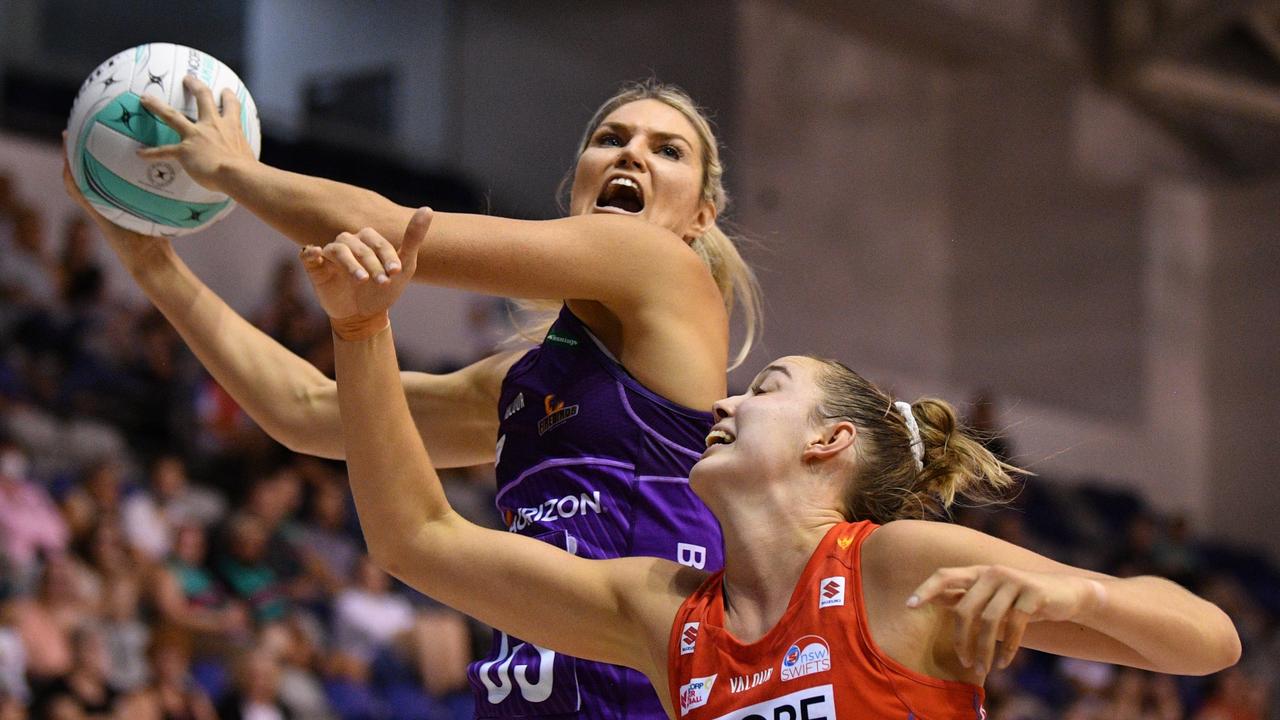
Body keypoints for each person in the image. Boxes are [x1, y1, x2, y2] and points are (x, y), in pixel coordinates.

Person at [304, 210, 1241, 719]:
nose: (724, 401)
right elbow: (417, 537)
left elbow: (1210, 639)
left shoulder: (893, 567)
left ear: (825, 441)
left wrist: (1083, 600)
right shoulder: (665, 616)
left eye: (767, 388)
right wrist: (360, 327)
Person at [64, 76, 760, 719]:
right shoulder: (523, 381)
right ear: (575, 184)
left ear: (702, 214)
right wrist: (151, 262)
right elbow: (306, 411)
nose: (631, 155)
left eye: (666, 150)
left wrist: (228, 170)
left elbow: (389, 227)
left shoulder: (666, 269)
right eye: (610, 139)